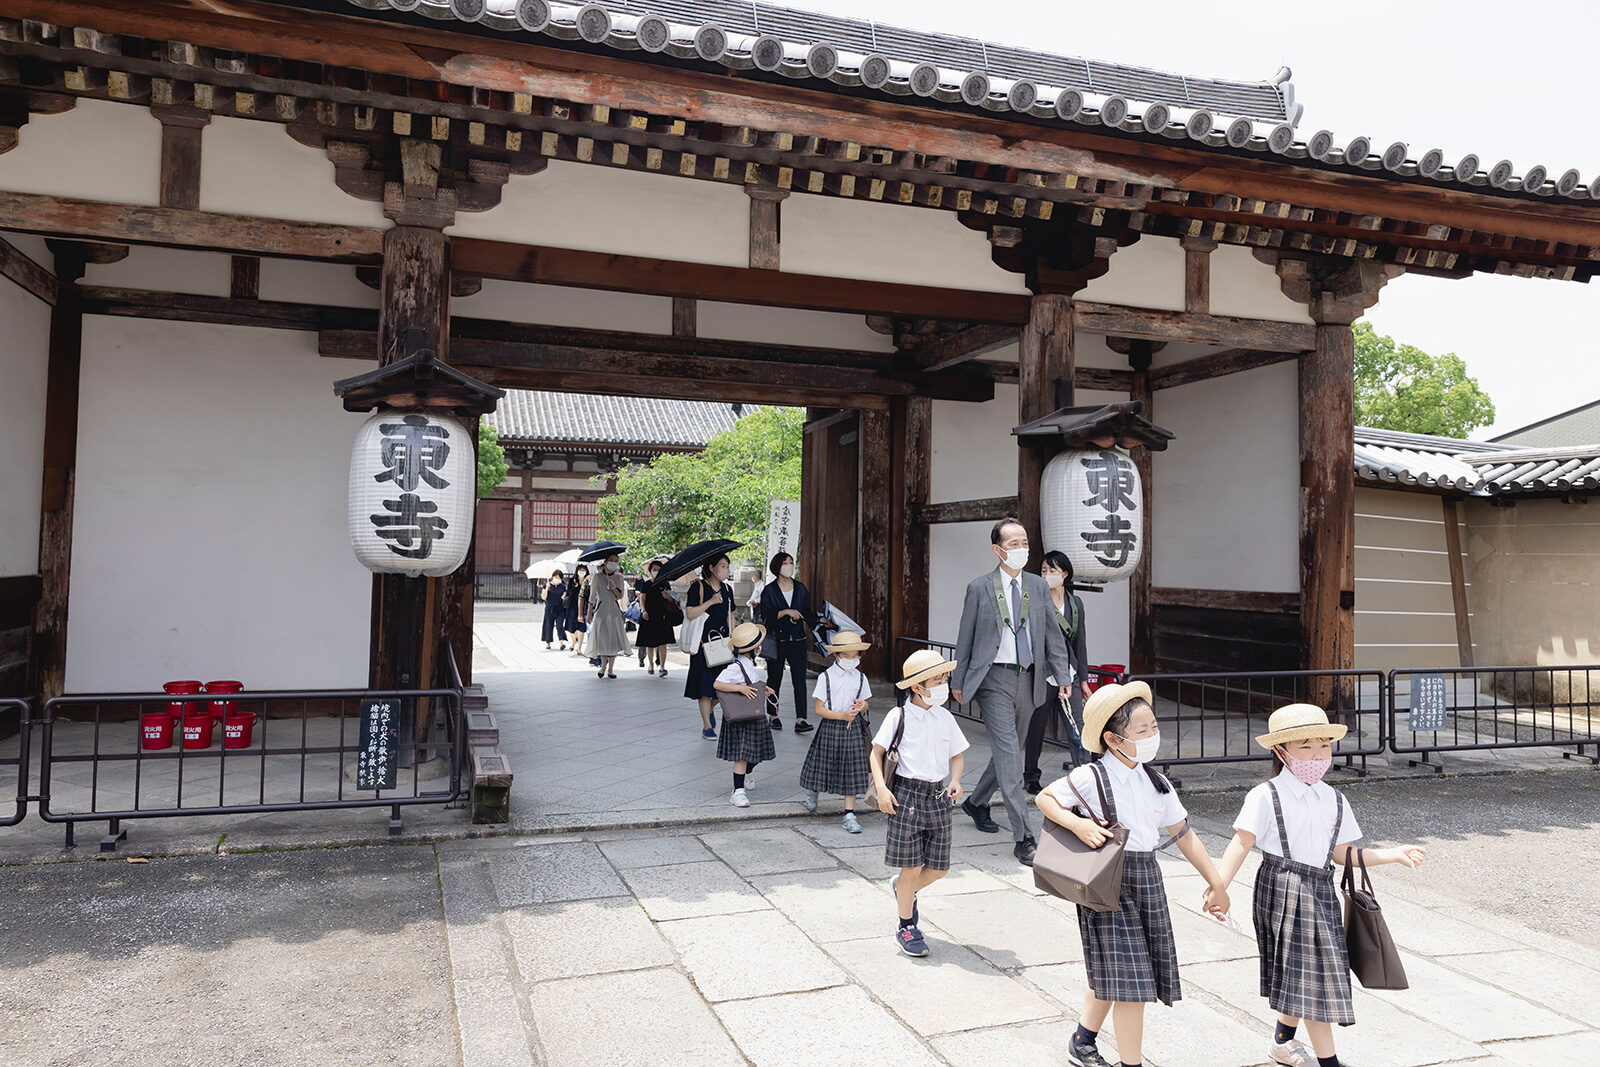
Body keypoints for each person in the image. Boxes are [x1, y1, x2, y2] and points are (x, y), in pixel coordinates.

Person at [1209, 704, 1427, 1067]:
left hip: (1321, 890)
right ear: (1281, 751)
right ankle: (1329, 1062)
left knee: (1307, 970)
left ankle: (1282, 1041)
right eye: (1305, 747)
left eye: (1324, 746)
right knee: (1315, 976)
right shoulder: (1266, 795)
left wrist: (1393, 854)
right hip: (1282, 887)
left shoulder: (1333, 798)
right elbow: (1241, 842)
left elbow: (1341, 852)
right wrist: (1219, 887)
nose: (1317, 755)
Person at [1035, 682, 1231, 1067]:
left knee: (1119, 969)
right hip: (1108, 882)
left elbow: (1184, 834)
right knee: (1131, 984)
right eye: (1142, 731)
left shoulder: (1155, 782)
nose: (1152, 736)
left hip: (1147, 879)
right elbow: (1046, 798)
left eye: (1154, 727)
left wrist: (1217, 882)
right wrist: (1078, 827)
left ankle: (1082, 1041)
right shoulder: (1093, 776)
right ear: (1112, 738)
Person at [952, 516, 1072, 866]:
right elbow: (965, 637)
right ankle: (1025, 836)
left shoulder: (1037, 586)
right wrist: (958, 681)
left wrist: (1061, 674)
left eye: (1024, 543)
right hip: (992, 680)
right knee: (1010, 757)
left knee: (1009, 750)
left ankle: (976, 802)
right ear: (997, 550)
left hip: (1029, 678)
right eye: (1014, 544)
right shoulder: (979, 588)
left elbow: (1052, 634)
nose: (1022, 549)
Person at [871, 648, 969, 958]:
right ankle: (906, 926)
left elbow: (957, 754)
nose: (943, 684)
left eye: (944, 678)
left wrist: (955, 780)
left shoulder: (945, 717)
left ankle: (903, 888)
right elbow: (876, 754)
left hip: (938, 796)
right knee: (911, 866)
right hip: (907, 796)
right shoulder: (898, 716)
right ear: (918, 686)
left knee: (938, 868)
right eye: (937, 680)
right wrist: (882, 789)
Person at [1025, 550, 1092, 791]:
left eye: (1052, 570)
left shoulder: (1076, 604)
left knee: (1077, 724)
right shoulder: (1035, 601)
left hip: (1069, 673)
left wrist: (1083, 679)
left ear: (1064, 574)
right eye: (1043, 570)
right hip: (1043, 673)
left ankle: (1084, 772)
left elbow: (1080, 643)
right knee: (1036, 727)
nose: (1047, 575)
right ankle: (1031, 776)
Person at [799, 631, 874, 833]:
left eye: (855, 655)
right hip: (832, 726)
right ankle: (813, 790)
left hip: (854, 728)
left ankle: (849, 813)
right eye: (847, 656)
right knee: (822, 764)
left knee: (852, 769)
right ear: (837, 655)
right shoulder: (826, 677)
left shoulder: (860, 677)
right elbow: (819, 709)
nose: (852, 660)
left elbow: (866, 704)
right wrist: (841, 716)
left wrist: (862, 705)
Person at [713, 622, 778, 807]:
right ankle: (738, 791)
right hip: (742, 717)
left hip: (752, 714)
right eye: (759, 644)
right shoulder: (735, 666)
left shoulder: (748, 663)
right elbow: (717, 684)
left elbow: (751, 681)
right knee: (741, 755)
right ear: (754, 648)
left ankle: (747, 772)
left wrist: (762, 689)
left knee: (757, 753)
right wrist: (740, 688)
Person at [758, 551, 817, 734]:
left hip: (797, 640)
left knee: (799, 680)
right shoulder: (769, 590)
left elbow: (806, 611)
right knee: (774, 679)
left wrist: (821, 620)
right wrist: (785, 612)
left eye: (791, 562)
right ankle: (773, 716)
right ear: (777, 567)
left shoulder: (800, 588)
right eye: (785, 562)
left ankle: (801, 719)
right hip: (777, 641)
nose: (789, 565)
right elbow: (765, 618)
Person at [683, 553, 733, 739]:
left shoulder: (727, 589)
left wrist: (733, 638)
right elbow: (690, 613)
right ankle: (707, 726)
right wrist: (711, 601)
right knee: (705, 688)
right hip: (704, 644)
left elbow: (731, 614)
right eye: (722, 566)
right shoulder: (698, 587)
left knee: (724, 687)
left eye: (727, 566)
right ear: (711, 568)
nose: (726, 570)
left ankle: (710, 710)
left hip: (723, 643)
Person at [585, 553, 629, 679]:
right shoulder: (597, 577)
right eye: (611, 560)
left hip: (614, 611)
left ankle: (610, 669)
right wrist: (589, 613)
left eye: (616, 560)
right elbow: (592, 597)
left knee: (613, 641)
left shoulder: (619, 578)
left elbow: (620, 596)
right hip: (601, 611)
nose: (613, 562)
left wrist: (614, 588)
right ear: (605, 562)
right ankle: (603, 666)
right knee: (603, 640)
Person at [634, 557, 677, 677]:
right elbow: (642, 598)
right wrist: (643, 610)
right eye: (654, 569)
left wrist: (667, 596)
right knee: (650, 642)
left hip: (663, 616)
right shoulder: (646, 584)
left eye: (658, 569)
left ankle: (662, 666)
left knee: (663, 643)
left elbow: (672, 598)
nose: (656, 571)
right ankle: (651, 664)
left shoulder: (665, 583)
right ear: (650, 571)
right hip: (649, 615)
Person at [541, 570, 569, 650]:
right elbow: (543, 597)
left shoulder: (562, 586)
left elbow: (565, 595)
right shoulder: (547, 585)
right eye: (556, 577)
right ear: (552, 577)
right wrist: (547, 588)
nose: (557, 579)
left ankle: (561, 643)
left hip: (560, 609)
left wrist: (564, 595)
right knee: (548, 625)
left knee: (560, 625)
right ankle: (548, 643)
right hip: (549, 608)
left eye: (559, 578)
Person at [566, 564, 588, 658]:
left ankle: (579, 648)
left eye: (584, 570)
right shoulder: (572, 580)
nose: (582, 571)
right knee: (572, 628)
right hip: (572, 606)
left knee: (582, 628)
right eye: (580, 570)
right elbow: (568, 594)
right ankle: (574, 642)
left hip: (583, 607)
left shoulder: (588, 581)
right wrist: (574, 587)